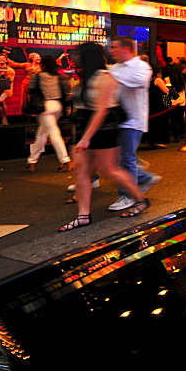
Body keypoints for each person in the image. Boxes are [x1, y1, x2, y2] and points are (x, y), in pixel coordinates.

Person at [60, 42, 149, 232]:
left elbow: (102, 111)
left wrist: (86, 138)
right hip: (84, 125)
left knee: (110, 169)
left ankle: (140, 199)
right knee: (82, 171)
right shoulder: (87, 76)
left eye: (77, 54)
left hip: (103, 128)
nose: (74, 57)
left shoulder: (105, 77)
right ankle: (83, 215)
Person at [107, 36, 160, 212]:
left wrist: (109, 76)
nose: (112, 51)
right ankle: (143, 176)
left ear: (126, 49)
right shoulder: (115, 68)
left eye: (115, 47)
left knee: (126, 159)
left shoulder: (142, 67)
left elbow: (133, 81)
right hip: (116, 120)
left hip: (133, 120)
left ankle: (128, 194)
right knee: (118, 159)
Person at [24, 56, 71, 172]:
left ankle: (65, 160)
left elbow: (29, 90)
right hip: (58, 107)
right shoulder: (60, 76)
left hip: (44, 107)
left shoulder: (38, 77)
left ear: (43, 65)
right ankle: (32, 162)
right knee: (41, 134)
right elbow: (67, 90)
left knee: (53, 133)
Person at [145, 63, 170, 149]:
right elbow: (166, 90)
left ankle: (152, 141)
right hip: (157, 103)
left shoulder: (146, 80)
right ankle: (157, 141)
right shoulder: (158, 80)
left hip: (149, 103)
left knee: (152, 123)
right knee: (159, 122)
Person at [165, 60, 186, 143]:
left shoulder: (167, 79)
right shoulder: (182, 80)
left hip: (172, 102)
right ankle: (182, 133)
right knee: (181, 118)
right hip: (181, 101)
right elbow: (185, 90)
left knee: (173, 119)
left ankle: (175, 135)